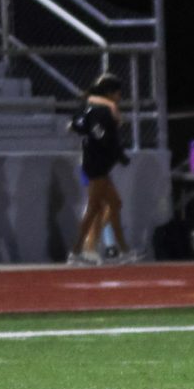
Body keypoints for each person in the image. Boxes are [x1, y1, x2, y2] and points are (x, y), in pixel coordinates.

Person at [67, 73, 131, 265]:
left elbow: (75, 126)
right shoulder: (102, 110)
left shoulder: (89, 106)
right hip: (96, 165)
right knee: (96, 207)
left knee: (112, 204)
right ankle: (82, 249)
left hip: (91, 163)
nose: (120, 97)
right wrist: (119, 154)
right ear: (110, 92)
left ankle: (119, 250)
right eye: (118, 92)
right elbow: (102, 137)